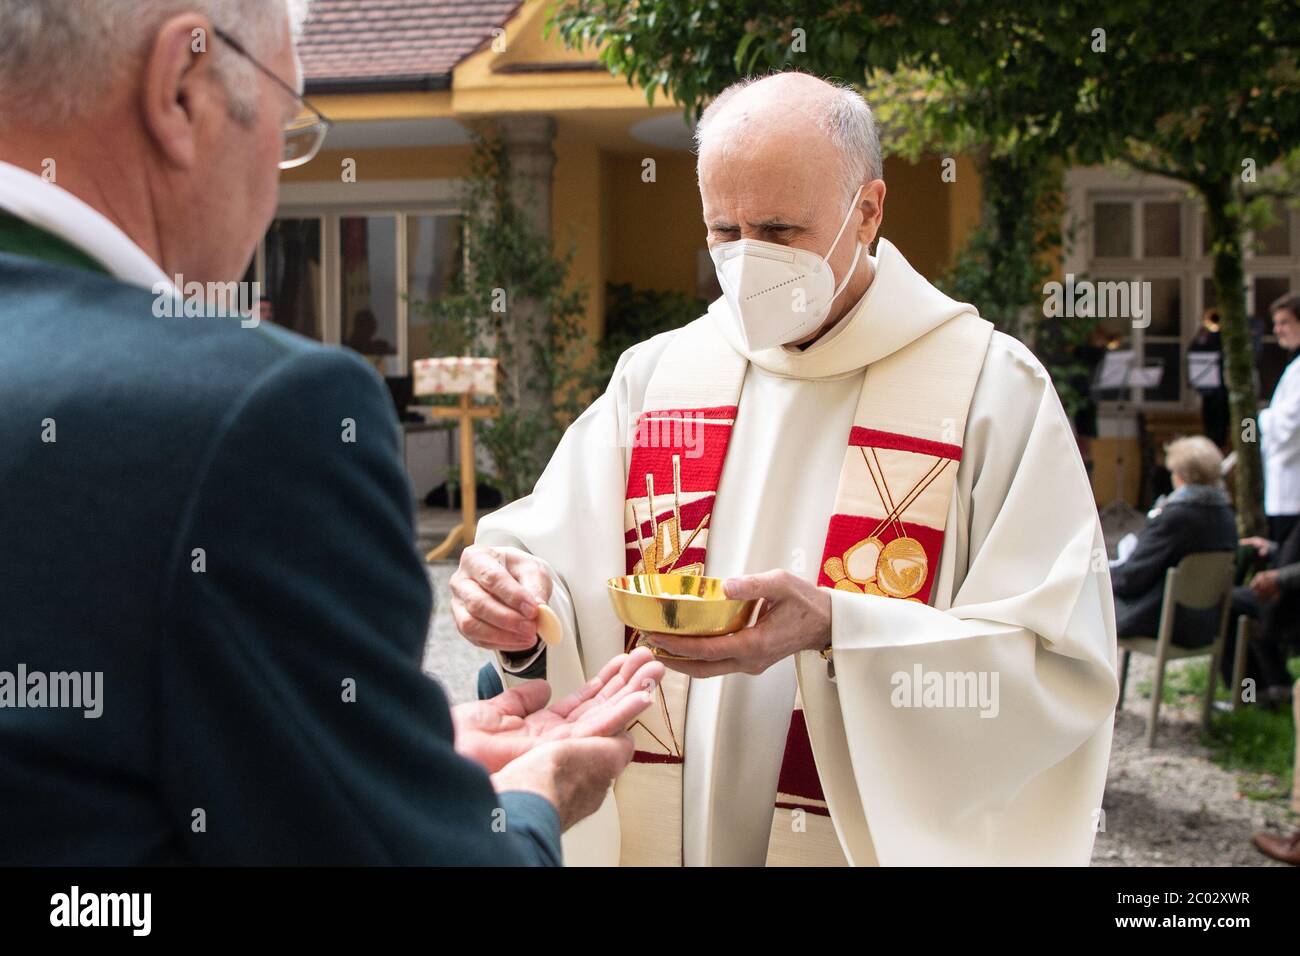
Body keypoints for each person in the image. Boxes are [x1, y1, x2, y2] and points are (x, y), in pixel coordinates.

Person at [0, 0, 660, 865]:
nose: (277, 183)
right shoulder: (255, 413)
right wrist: (530, 802)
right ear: (182, 91)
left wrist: (386, 762)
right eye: (284, 125)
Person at [451, 72, 1118, 866]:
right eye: (723, 231)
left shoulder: (990, 391)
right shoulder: (657, 375)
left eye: (778, 228)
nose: (747, 260)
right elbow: (557, 572)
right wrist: (517, 609)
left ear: (868, 210)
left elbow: (1057, 666)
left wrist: (845, 629)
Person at [1111, 437, 1237, 648]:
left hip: (1164, 620)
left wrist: (1104, 572)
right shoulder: (1226, 513)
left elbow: (1130, 578)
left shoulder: (1175, 517)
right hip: (1207, 622)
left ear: (1179, 477)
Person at [1261, 293, 1300, 545]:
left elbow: (1288, 423)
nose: (1277, 330)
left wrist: (1260, 419)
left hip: (1293, 487)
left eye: (1284, 322)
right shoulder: (1293, 365)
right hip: (1283, 484)